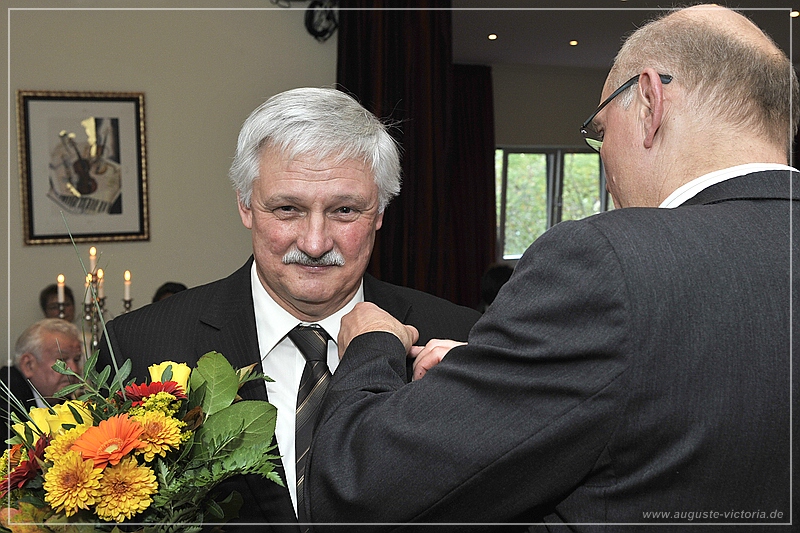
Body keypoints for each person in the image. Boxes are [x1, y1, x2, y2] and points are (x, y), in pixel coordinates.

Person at [306, 5, 798, 529]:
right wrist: (497, 377)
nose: (604, 161)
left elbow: (357, 488)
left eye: (600, 131)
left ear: (650, 101)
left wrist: (373, 346)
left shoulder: (607, 260)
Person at [97, 87, 480, 530]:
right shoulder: (139, 346)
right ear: (245, 206)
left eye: (344, 210)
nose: (315, 243)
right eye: (287, 208)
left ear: (378, 213)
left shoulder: (462, 339)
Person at [1, 319, 83, 439]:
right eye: (62, 360)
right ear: (29, 365)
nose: (74, 370)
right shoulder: (4, 400)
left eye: (76, 359)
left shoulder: (65, 401)